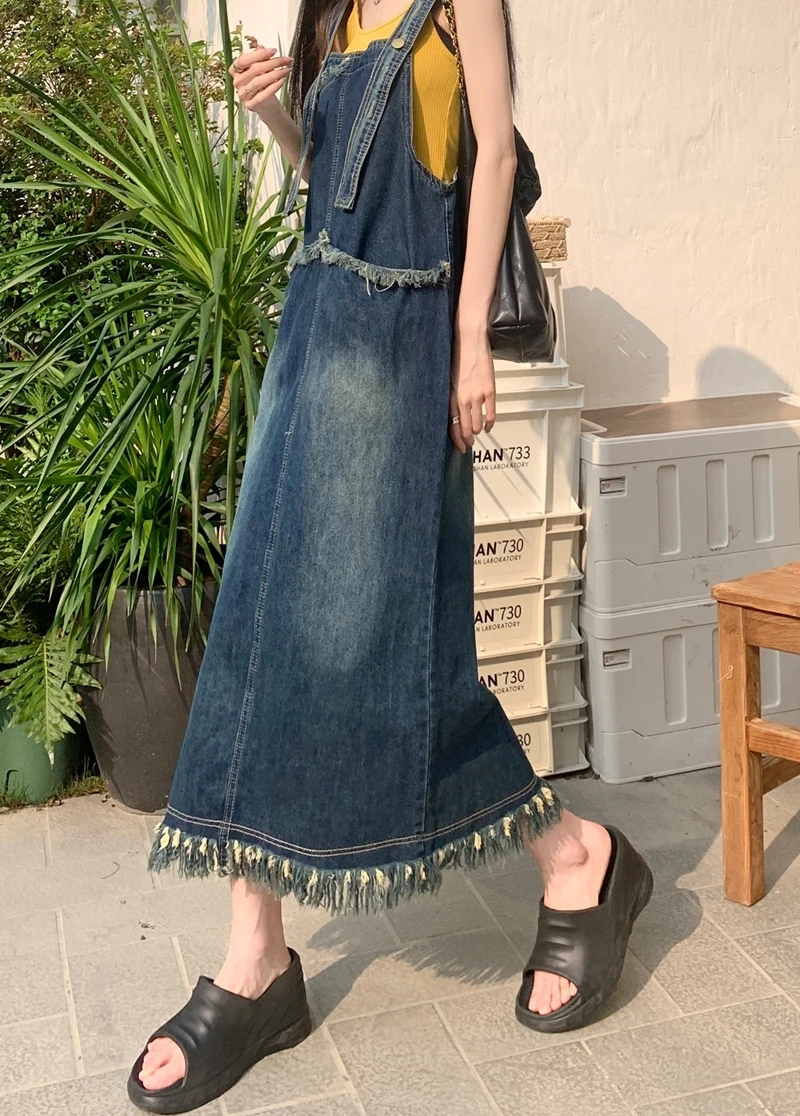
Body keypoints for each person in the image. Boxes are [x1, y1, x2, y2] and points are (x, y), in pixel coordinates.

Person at [128, 2, 652, 1112]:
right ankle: (256, 954)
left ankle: (575, 856)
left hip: (405, 342)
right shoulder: (333, 9)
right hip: (312, 338)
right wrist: (279, 116)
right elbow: (330, 187)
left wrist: (469, 342)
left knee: (393, 655)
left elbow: (492, 156)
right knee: (259, 634)